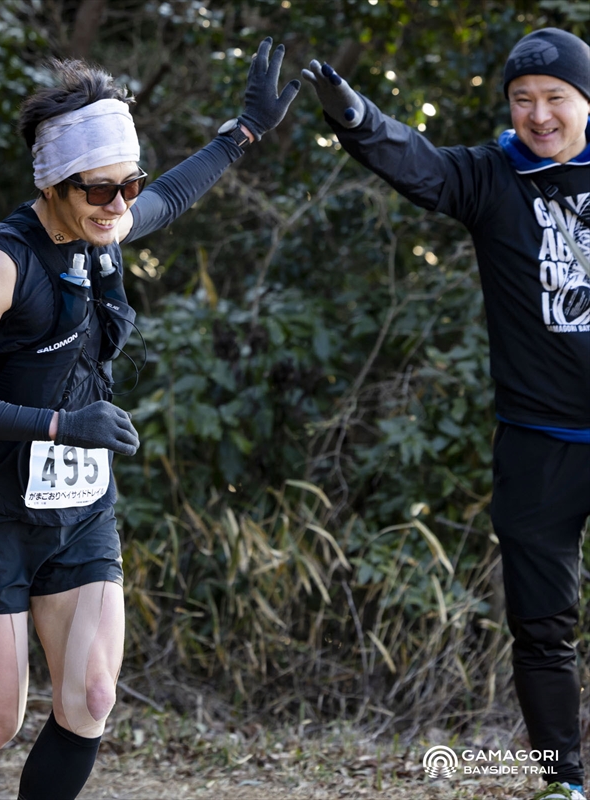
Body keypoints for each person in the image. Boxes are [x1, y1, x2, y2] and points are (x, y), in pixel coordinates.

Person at [0, 39, 299, 800]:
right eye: (100, 191)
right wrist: (61, 425)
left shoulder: (106, 230)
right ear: (53, 184)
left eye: (128, 186)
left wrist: (243, 131)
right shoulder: (0, 263)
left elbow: (173, 196)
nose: (119, 207)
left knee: (90, 698)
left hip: (82, 511)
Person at [302, 28, 590, 800]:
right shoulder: (492, 177)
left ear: (586, 101)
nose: (538, 114)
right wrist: (356, 116)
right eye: (522, 99)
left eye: (555, 98)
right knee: (542, 626)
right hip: (537, 444)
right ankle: (564, 783)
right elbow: (418, 165)